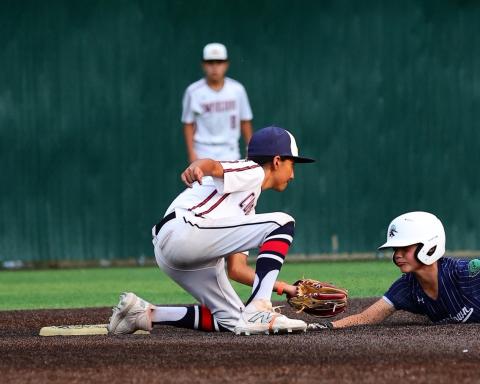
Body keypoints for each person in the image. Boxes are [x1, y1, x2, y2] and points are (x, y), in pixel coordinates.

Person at [108, 126, 315, 336]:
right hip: (185, 230)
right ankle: (259, 308)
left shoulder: (248, 208)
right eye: (292, 164)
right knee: (283, 222)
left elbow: (237, 269)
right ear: (277, 161)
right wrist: (198, 165)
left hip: (174, 250)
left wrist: (285, 287)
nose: (293, 174)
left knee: (235, 321)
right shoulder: (253, 170)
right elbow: (214, 166)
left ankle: (143, 314)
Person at [310, 211, 480, 330]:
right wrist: (325, 326)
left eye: (404, 248)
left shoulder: (463, 272)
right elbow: (366, 318)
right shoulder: (406, 287)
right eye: (395, 249)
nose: (397, 255)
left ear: (429, 246)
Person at [182, 42, 253, 162]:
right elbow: (188, 124)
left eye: (219, 62)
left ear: (226, 64)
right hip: (203, 152)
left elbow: (245, 121)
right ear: (203, 65)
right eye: (210, 63)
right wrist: (191, 153)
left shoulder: (237, 90)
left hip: (230, 152)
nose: (215, 67)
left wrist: (250, 149)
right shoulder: (193, 91)